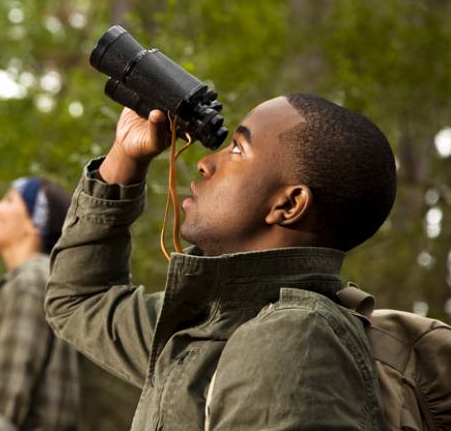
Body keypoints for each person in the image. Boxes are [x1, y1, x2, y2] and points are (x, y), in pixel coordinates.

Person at [45, 94, 397, 430]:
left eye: (238, 149)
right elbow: (78, 300)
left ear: (289, 205)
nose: (205, 162)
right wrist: (126, 156)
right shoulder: (214, 321)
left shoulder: (295, 338)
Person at [0, 178, 80, 431]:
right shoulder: (45, 280)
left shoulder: (29, 283)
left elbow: (1, 408)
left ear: (35, 223)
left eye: (9, 200)